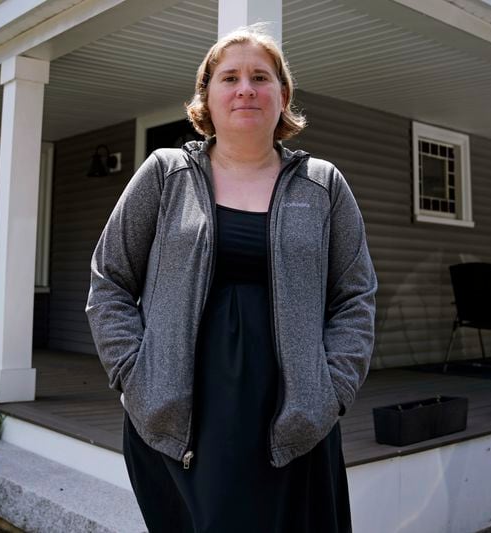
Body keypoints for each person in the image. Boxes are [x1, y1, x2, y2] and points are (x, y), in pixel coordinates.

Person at [86, 25, 377, 533]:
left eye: (261, 77)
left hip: (294, 420)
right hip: (182, 418)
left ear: (282, 97)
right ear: (207, 96)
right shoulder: (165, 173)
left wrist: (331, 391)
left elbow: (355, 296)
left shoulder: (323, 185)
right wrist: (135, 375)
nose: (246, 88)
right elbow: (109, 280)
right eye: (230, 77)